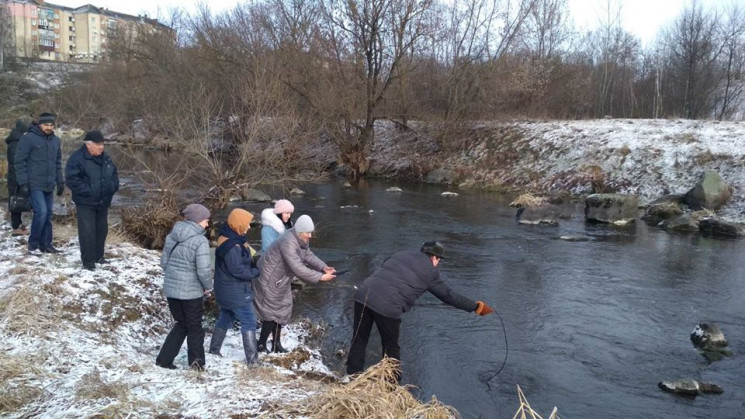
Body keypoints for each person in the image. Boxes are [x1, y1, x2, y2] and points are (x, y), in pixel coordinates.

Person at [346, 241, 495, 379]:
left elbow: (387, 270)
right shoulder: (430, 273)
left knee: (359, 338)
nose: (438, 264)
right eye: (439, 260)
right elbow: (449, 296)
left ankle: (352, 376)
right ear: (434, 258)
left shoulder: (401, 254)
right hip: (388, 306)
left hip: (363, 294)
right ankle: (391, 386)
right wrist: (476, 307)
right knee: (391, 348)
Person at [254, 215, 336, 353]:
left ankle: (276, 344)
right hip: (269, 279)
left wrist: (323, 267)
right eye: (307, 233)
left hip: (281, 279)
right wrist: (320, 277)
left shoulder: (300, 238)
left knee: (282, 309)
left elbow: (308, 255)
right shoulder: (288, 242)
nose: (310, 236)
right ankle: (261, 345)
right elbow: (298, 268)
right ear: (299, 231)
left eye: (311, 232)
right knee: (271, 312)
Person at [156, 204, 213, 371]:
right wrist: (208, 287)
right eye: (206, 221)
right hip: (191, 293)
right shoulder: (200, 241)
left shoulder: (172, 236)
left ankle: (164, 360)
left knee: (182, 324)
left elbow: (164, 263)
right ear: (197, 221)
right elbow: (203, 270)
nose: (207, 225)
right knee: (195, 327)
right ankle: (196, 364)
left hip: (171, 290)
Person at [208, 209, 262, 365]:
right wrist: (255, 271)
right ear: (238, 224)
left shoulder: (229, 238)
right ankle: (253, 361)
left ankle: (214, 349)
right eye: (246, 224)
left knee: (226, 317)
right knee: (249, 321)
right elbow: (237, 270)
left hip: (224, 289)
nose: (249, 227)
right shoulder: (233, 246)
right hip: (235, 291)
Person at [65, 130, 119, 271]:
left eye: (102, 144)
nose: (101, 147)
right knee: (87, 232)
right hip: (86, 202)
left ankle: (98, 257)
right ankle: (88, 263)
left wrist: (112, 187)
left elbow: (114, 174)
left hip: (103, 201)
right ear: (88, 145)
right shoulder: (77, 158)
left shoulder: (106, 158)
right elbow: (72, 180)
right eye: (98, 144)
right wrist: (90, 191)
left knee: (101, 230)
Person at [14, 112, 64, 254]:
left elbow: (58, 163)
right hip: (34, 183)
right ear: (39, 125)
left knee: (48, 214)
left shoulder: (56, 140)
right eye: (46, 125)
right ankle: (33, 244)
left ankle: (46, 244)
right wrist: (23, 182)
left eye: (51, 125)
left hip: (49, 183)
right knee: (41, 212)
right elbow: (19, 162)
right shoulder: (28, 139)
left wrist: (60, 181)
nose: (49, 127)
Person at [5, 120, 30, 236]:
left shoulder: (14, 141)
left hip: (13, 175)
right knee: (15, 199)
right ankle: (16, 226)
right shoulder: (16, 143)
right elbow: (17, 162)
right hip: (15, 176)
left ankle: (18, 224)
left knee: (15, 199)